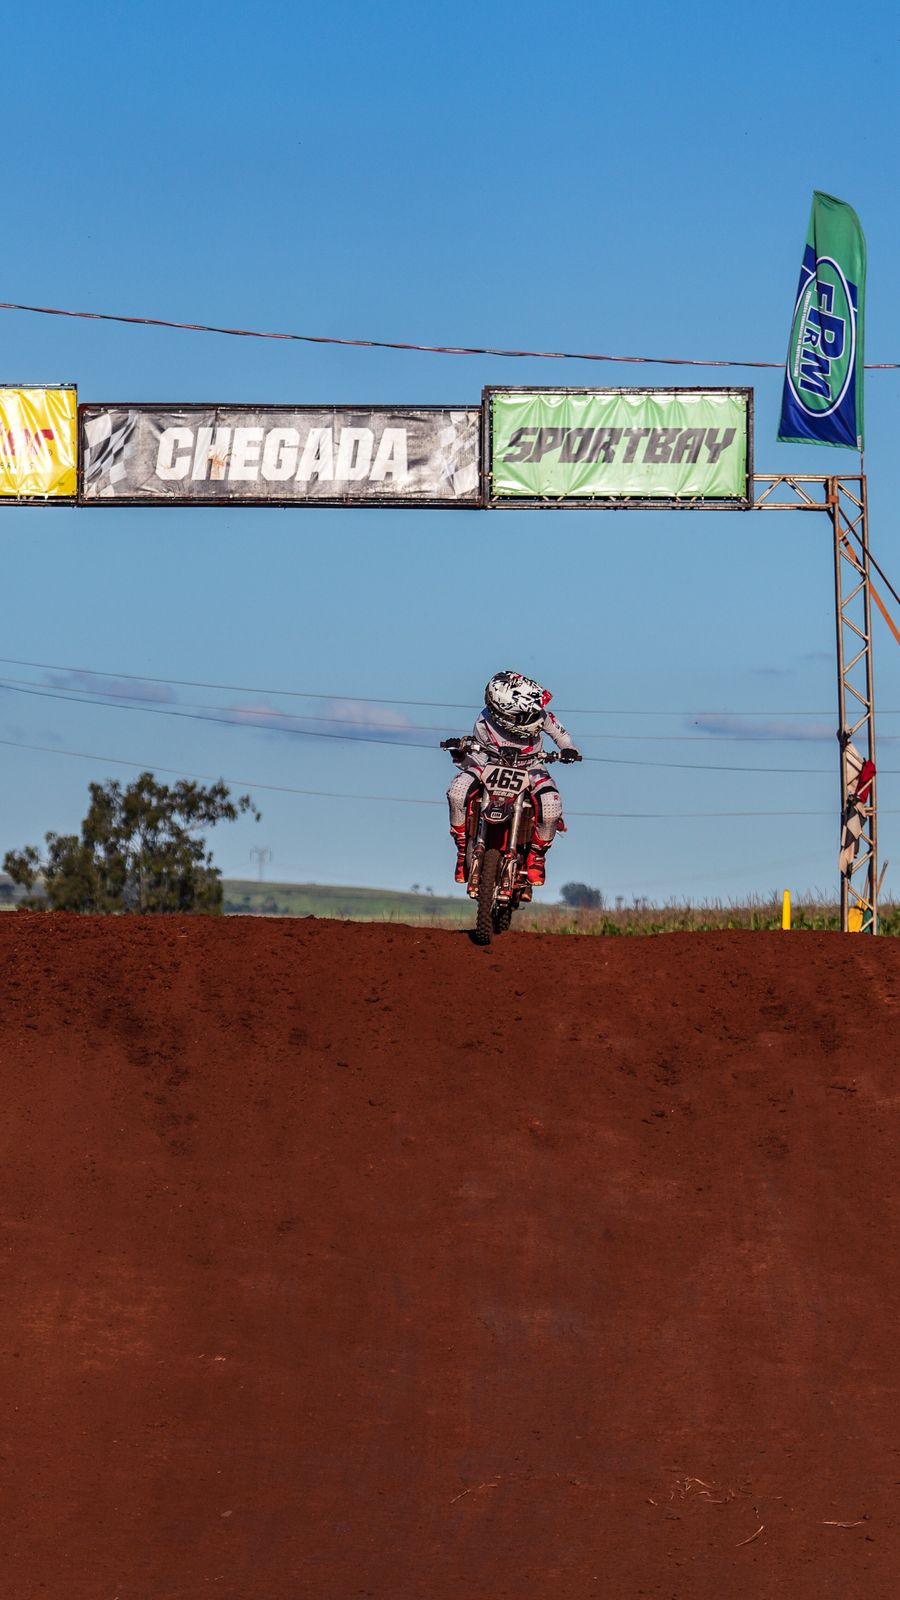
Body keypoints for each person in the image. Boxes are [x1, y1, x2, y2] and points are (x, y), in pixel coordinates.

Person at [447, 671, 581, 887]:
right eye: (524, 715)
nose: (533, 717)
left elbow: (561, 734)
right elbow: (475, 756)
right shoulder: (484, 722)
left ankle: (537, 857)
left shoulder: (540, 714)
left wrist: (569, 750)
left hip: (531, 766)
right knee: (457, 791)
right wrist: (460, 752)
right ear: (504, 714)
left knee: (551, 804)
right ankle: (463, 851)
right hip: (490, 764)